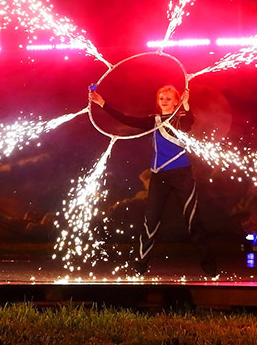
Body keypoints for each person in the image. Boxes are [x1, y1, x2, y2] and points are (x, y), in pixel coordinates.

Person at [89, 84, 217, 277]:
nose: (164, 100)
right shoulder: (154, 120)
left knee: (193, 220)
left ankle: (209, 265)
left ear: (175, 101)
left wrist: (187, 104)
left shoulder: (181, 119)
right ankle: (139, 267)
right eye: (161, 97)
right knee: (151, 222)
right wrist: (102, 103)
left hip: (181, 175)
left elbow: (190, 121)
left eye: (168, 98)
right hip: (159, 176)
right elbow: (126, 119)